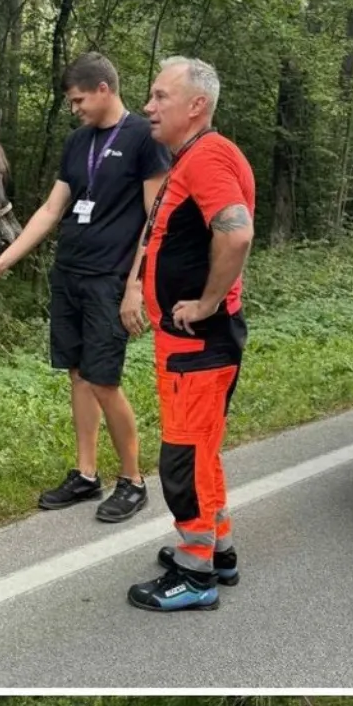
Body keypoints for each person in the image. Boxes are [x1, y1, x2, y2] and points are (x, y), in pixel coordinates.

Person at [0, 53, 169, 522]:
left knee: (104, 379)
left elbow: (154, 221)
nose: (75, 108)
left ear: (103, 89)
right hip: (70, 273)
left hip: (109, 281)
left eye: (79, 99)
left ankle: (133, 480)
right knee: (78, 374)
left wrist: (135, 286)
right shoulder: (78, 141)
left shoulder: (144, 138)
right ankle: (86, 475)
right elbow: (50, 210)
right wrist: (5, 259)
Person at [129, 56, 255, 612]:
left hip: (199, 345)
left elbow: (236, 234)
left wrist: (205, 303)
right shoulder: (193, 158)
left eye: (159, 97)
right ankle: (217, 550)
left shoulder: (206, 159)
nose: (148, 107)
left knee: (182, 458)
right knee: (201, 451)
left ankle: (195, 573)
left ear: (195, 106)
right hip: (190, 344)